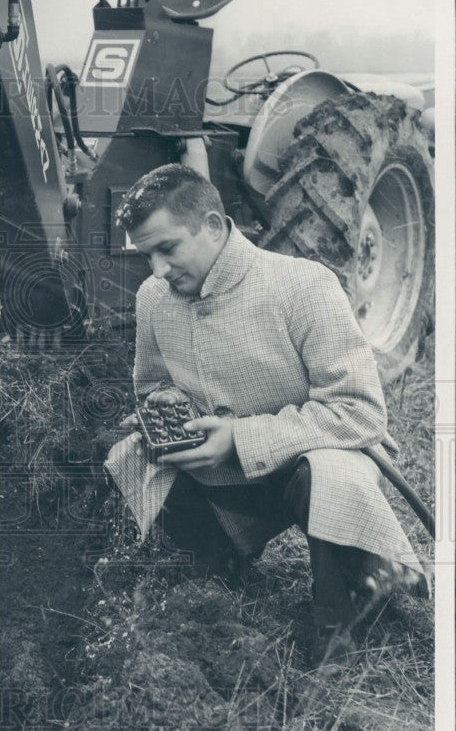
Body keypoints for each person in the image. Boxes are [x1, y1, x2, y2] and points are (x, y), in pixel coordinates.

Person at [107, 163, 425, 668]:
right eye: (146, 255)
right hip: (223, 477)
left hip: (311, 467)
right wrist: (168, 403)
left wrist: (239, 436)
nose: (157, 270)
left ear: (213, 225)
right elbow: (151, 383)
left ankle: (344, 619)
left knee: (329, 471)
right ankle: (212, 575)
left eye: (167, 249)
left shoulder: (302, 286)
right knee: (132, 454)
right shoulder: (154, 300)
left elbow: (361, 412)